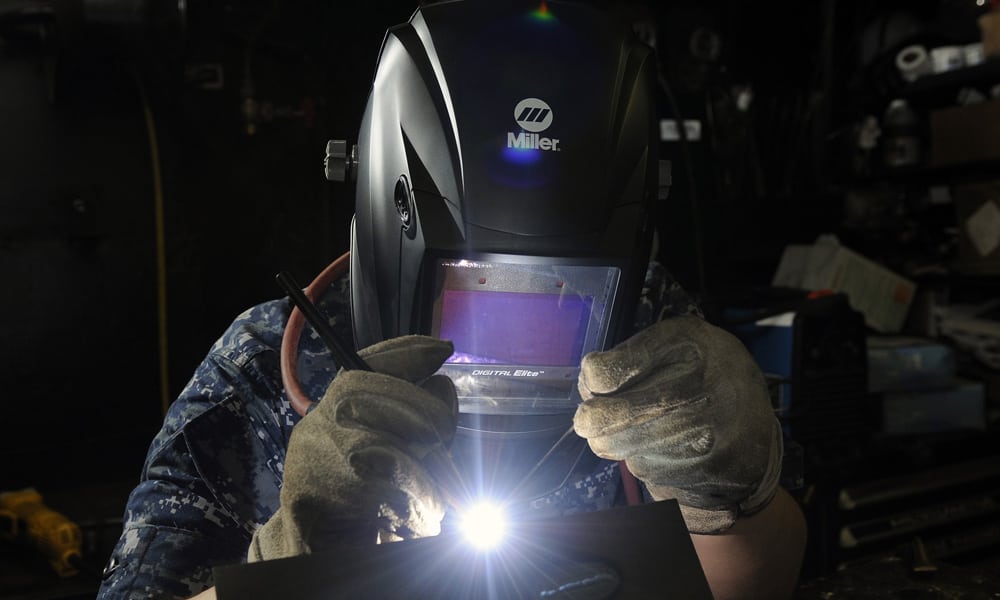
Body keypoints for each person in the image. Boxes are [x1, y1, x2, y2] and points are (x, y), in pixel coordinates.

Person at [97, 1, 806, 599]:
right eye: (474, 293)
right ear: (390, 225)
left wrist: (729, 507)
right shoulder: (263, 368)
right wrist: (293, 569)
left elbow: (761, 576)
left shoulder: (663, 345)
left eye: (562, 297)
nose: (508, 356)